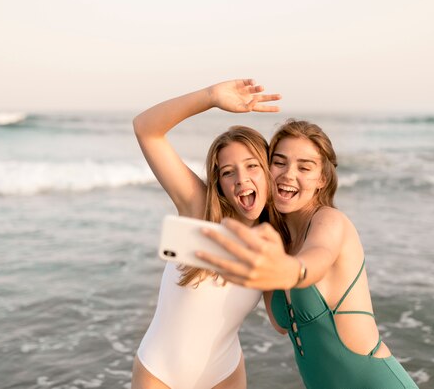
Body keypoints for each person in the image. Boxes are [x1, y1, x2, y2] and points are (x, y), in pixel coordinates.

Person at [197, 119, 419, 389]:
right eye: (279, 163)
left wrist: (293, 271)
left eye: (304, 167)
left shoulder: (331, 222)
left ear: (322, 179)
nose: (289, 174)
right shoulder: (279, 240)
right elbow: (281, 325)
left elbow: (318, 255)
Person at [131, 79, 286, 389]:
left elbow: (281, 324)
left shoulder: (274, 242)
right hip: (160, 374)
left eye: (252, 166)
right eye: (228, 172)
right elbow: (145, 128)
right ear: (219, 183)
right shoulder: (199, 209)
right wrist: (210, 97)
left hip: (225, 375)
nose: (241, 179)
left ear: (268, 173)